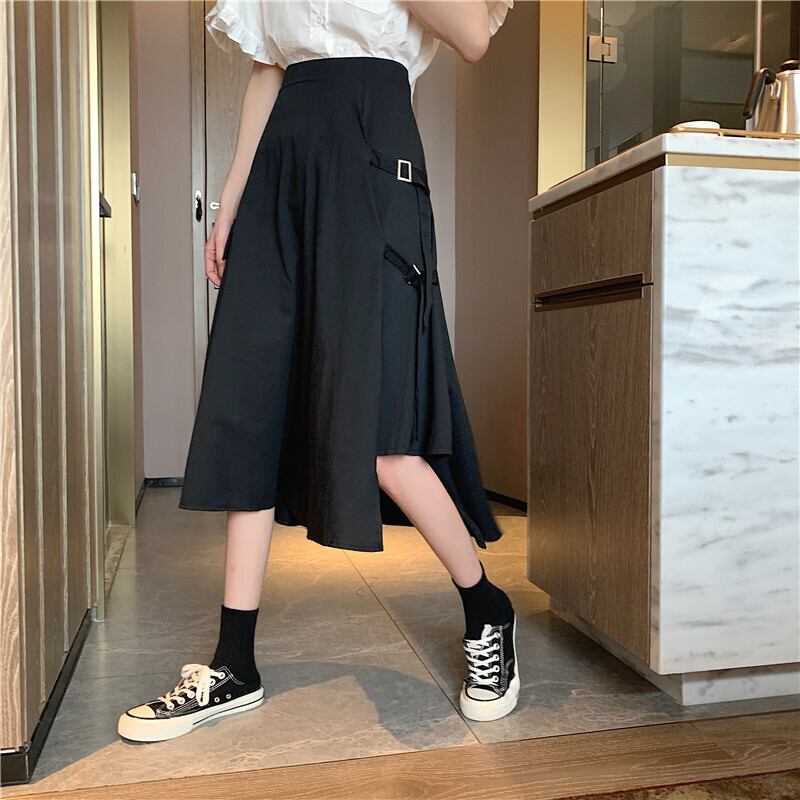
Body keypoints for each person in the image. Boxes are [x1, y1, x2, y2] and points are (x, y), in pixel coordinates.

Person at [118, 0, 518, 743]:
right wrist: (233, 197)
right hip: (282, 167)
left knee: (383, 434)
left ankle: (486, 606)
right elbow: (268, 69)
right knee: (252, 402)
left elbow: (471, 36)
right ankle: (234, 662)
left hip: (372, 156)